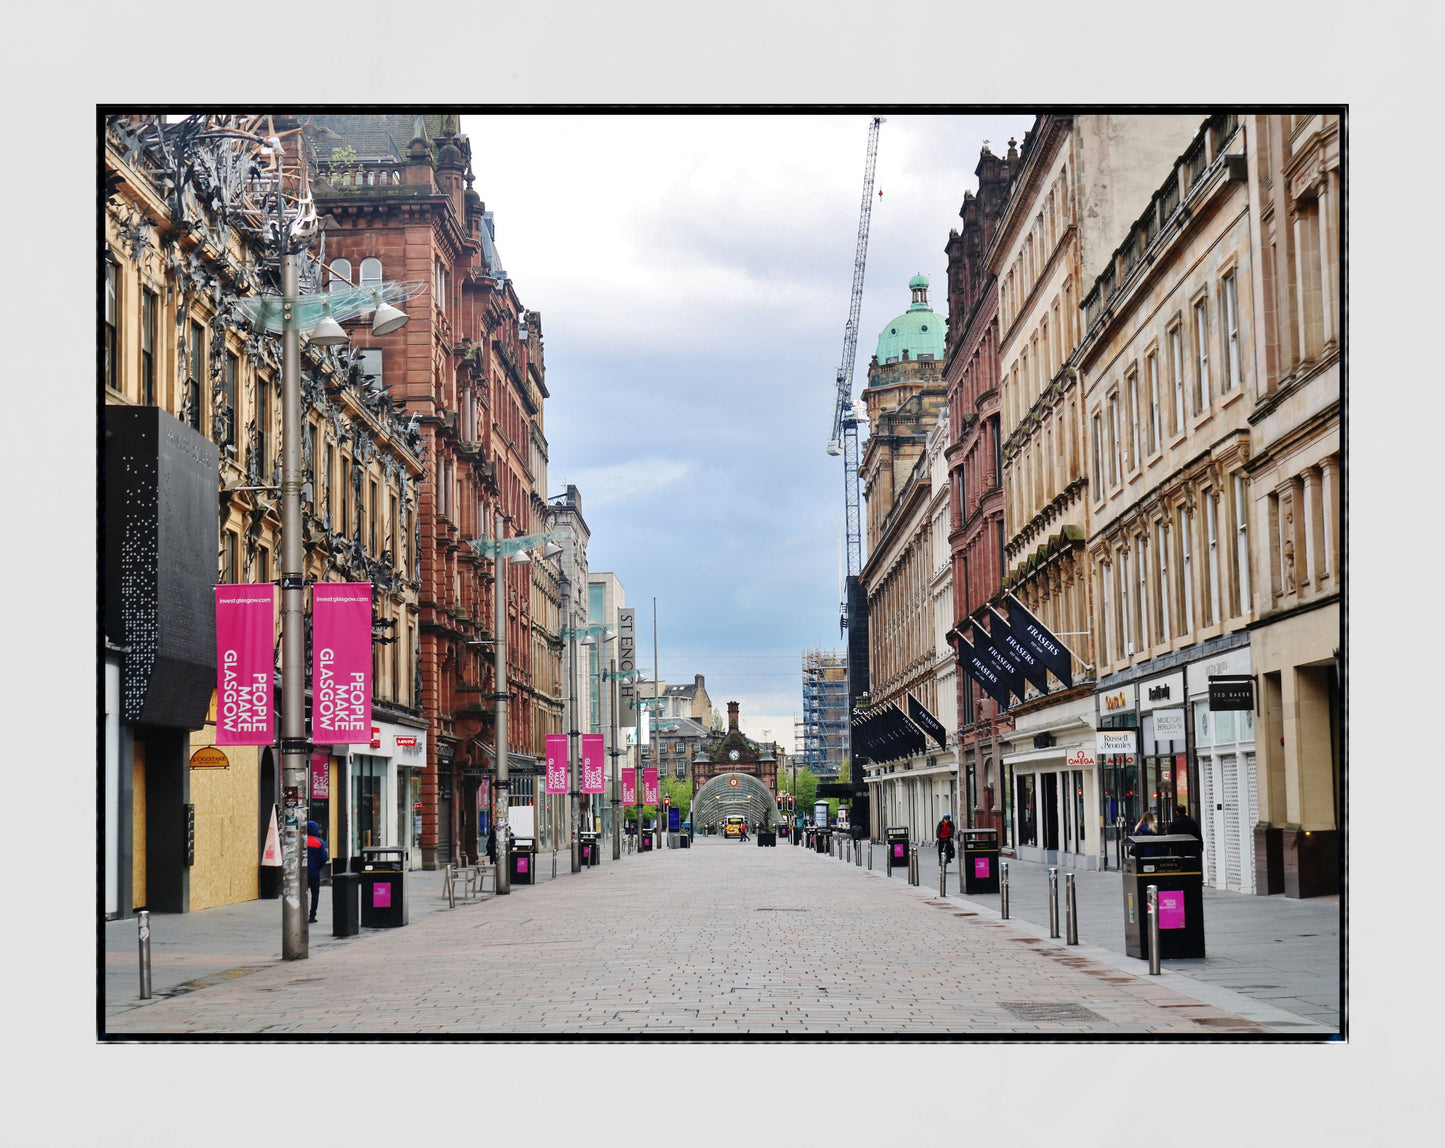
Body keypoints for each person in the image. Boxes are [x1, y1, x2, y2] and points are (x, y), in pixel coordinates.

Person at [306, 820, 328, 923]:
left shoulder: (301, 842)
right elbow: (324, 858)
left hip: (302, 874)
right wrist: (319, 866)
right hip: (314, 873)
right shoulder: (319, 842)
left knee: (302, 894)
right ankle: (312, 915)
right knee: (315, 894)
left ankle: (300, 913)